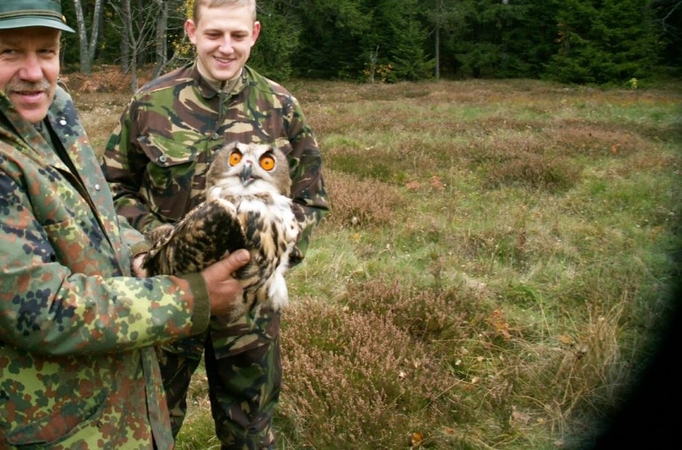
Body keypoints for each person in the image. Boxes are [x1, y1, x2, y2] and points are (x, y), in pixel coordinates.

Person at [0, 1, 251, 448]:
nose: (34, 72)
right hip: (53, 427)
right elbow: (40, 309)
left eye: (47, 51)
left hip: (118, 409)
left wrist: (142, 250)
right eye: (9, 52)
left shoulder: (54, 112)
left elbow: (96, 212)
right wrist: (192, 296)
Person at [102, 0, 329, 448]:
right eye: (214, 34)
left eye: (238, 35)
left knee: (250, 431)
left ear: (254, 34)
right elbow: (111, 187)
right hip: (167, 294)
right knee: (149, 425)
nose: (226, 47)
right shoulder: (150, 103)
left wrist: (270, 257)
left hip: (249, 306)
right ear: (191, 31)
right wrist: (154, 245)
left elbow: (311, 199)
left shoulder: (281, 106)